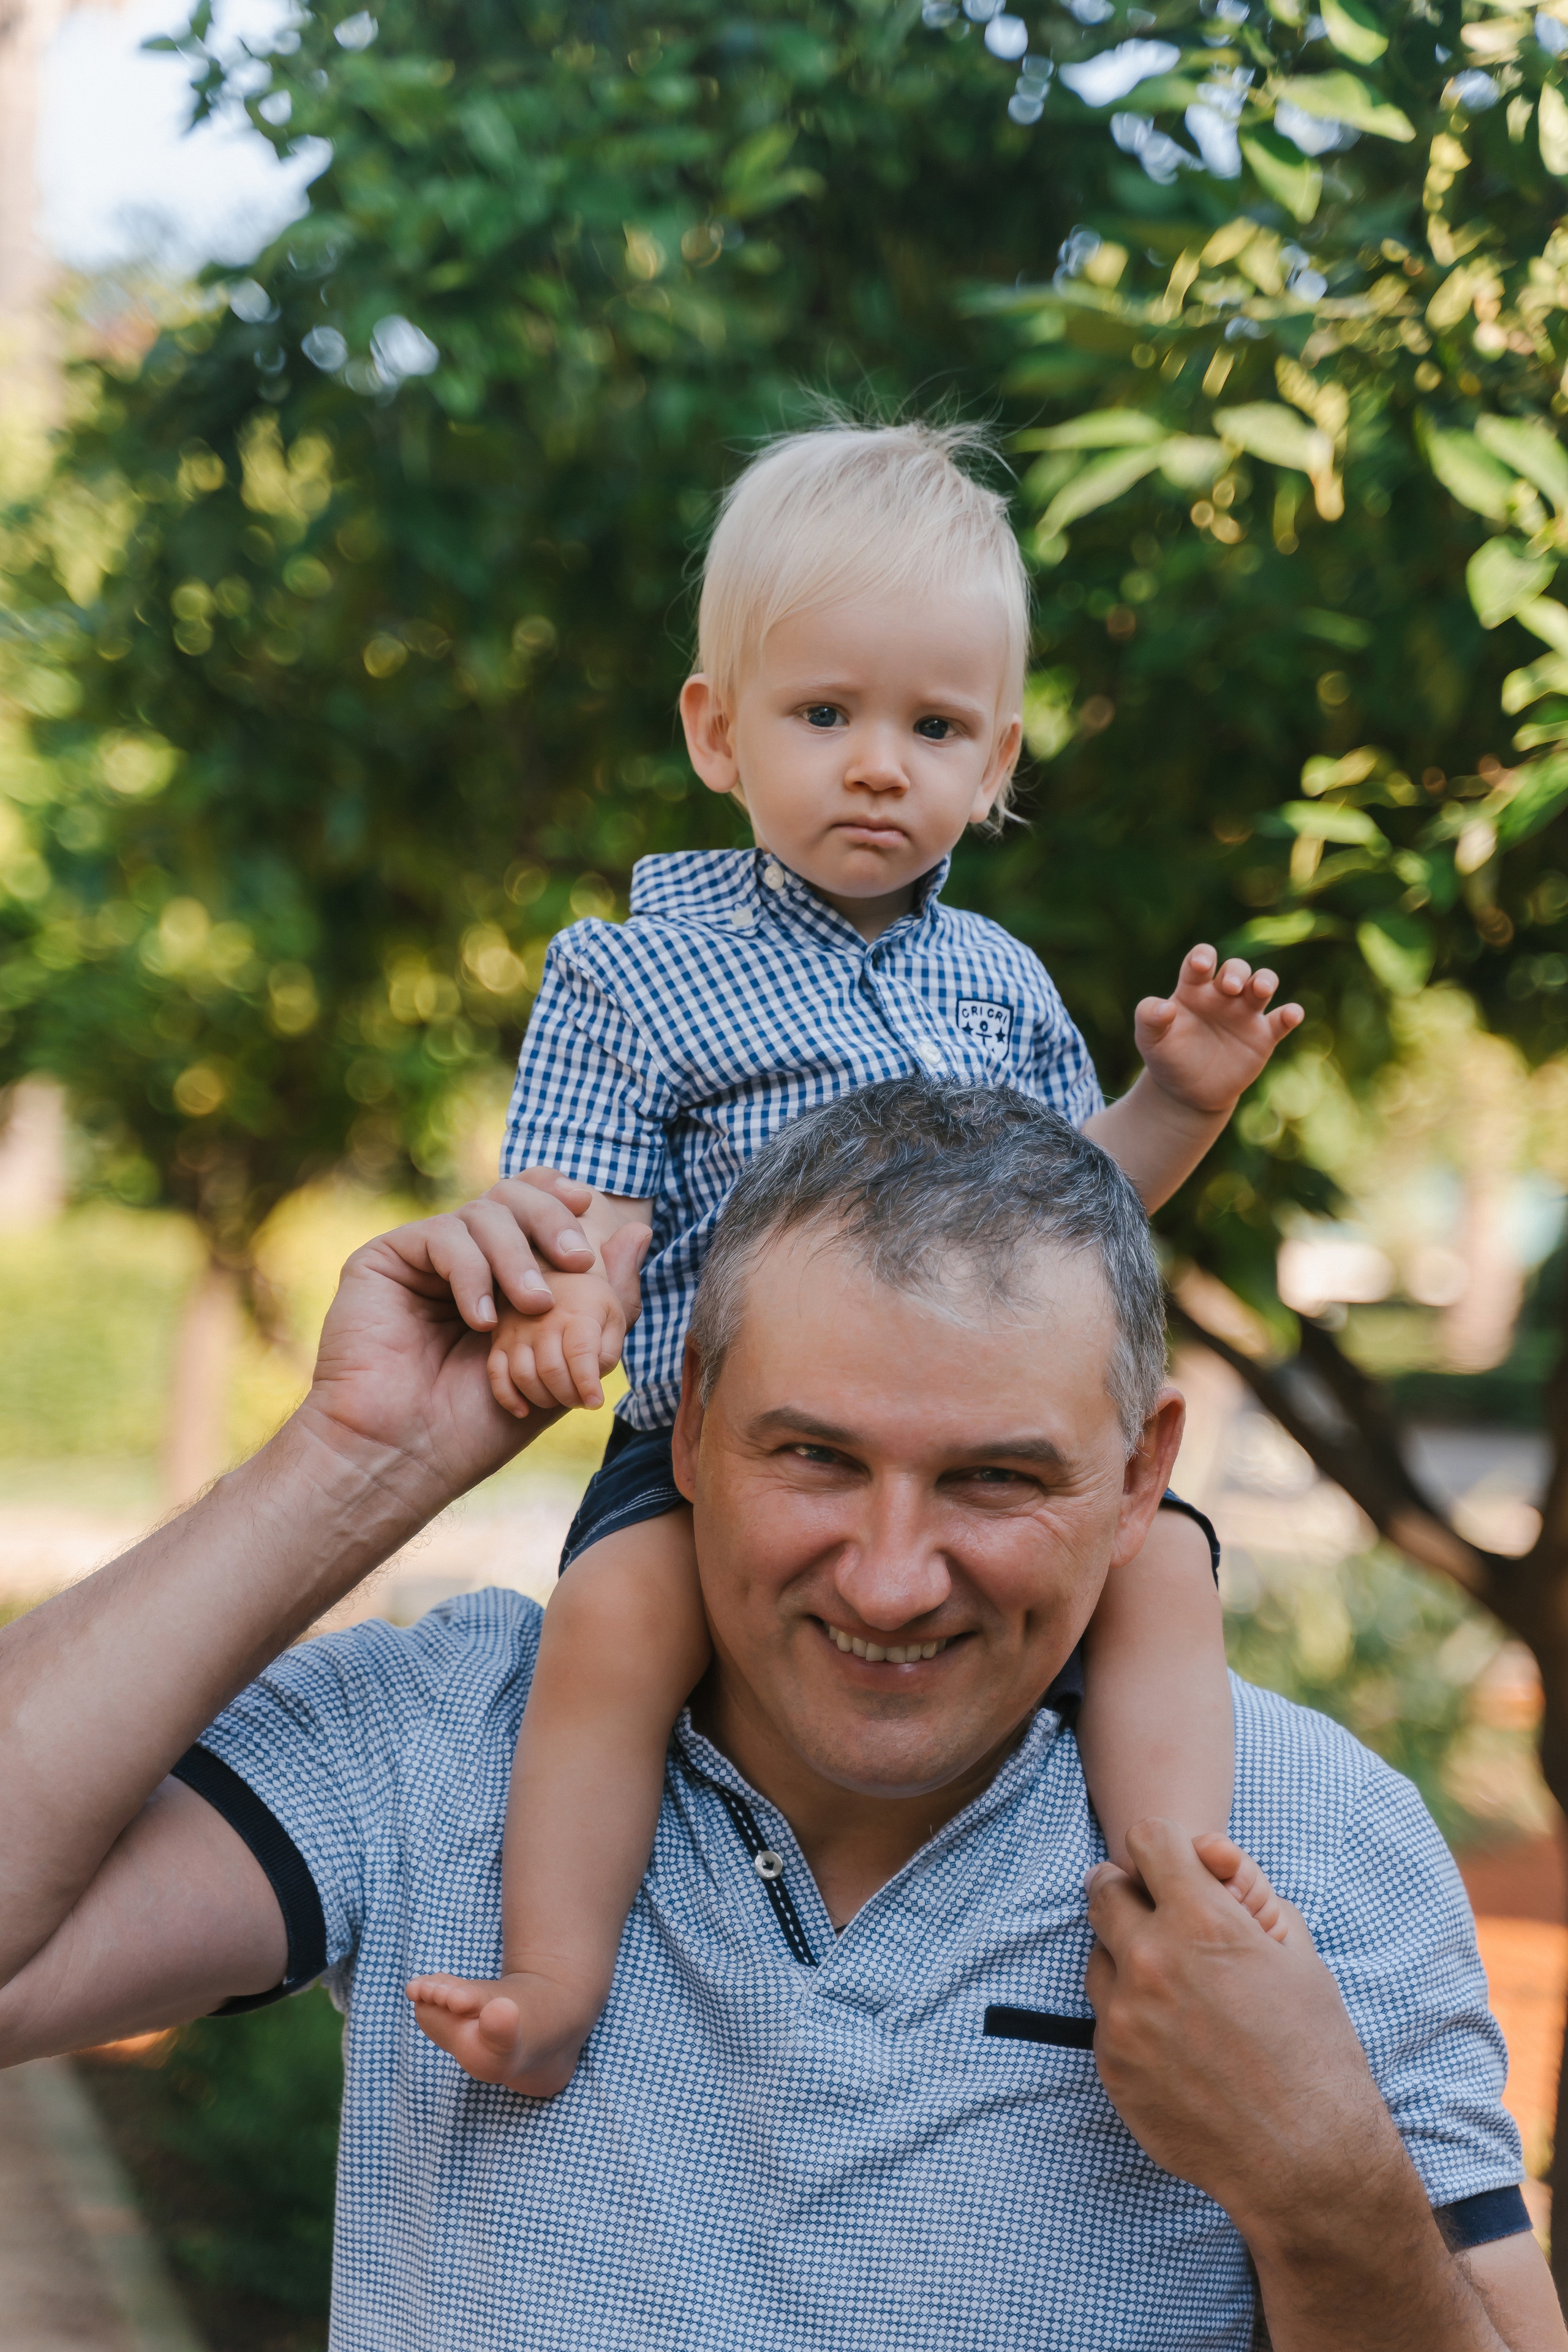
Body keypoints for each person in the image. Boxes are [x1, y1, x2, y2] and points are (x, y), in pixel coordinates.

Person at [0, 1085, 1556, 2351]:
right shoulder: (445, 1737)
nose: (888, 1580)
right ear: (685, 1424)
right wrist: (354, 1463)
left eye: (993, 1478)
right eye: (812, 1457)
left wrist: (1321, 2186)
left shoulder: (1317, 1839)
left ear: (1142, 1473)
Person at [408, 420, 1305, 2095]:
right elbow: (577, 1209)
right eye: (825, 716)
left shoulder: (1003, 985)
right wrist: (566, 1300)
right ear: (718, 731)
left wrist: (1176, 1102)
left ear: (997, 758)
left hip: (979, 1448)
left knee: (1165, 1571)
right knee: (612, 1623)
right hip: (727, 1454)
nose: (879, 766)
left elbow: (1073, 1223)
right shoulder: (635, 978)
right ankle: (552, 1979)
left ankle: (1179, 1899)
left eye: (933, 727)